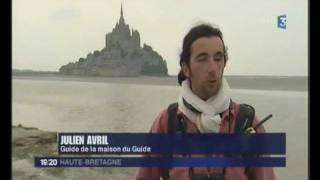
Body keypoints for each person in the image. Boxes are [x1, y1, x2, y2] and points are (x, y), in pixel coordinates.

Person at [134, 23, 275, 180]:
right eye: (203, 59)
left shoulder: (246, 122)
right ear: (186, 68)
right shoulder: (167, 123)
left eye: (218, 58)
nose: (213, 68)